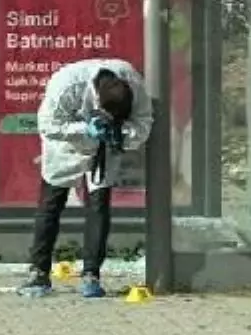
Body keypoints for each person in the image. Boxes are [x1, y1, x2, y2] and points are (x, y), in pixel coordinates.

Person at [18, 58, 153, 299]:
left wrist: (119, 132)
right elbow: (47, 124)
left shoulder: (134, 84)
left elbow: (143, 125)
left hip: (105, 148)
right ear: (96, 100)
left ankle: (92, 273)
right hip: (66, 146)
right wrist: (85, 130)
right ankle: (38, 272)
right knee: (51, 203)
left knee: (99, 205)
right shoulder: (67, 84)